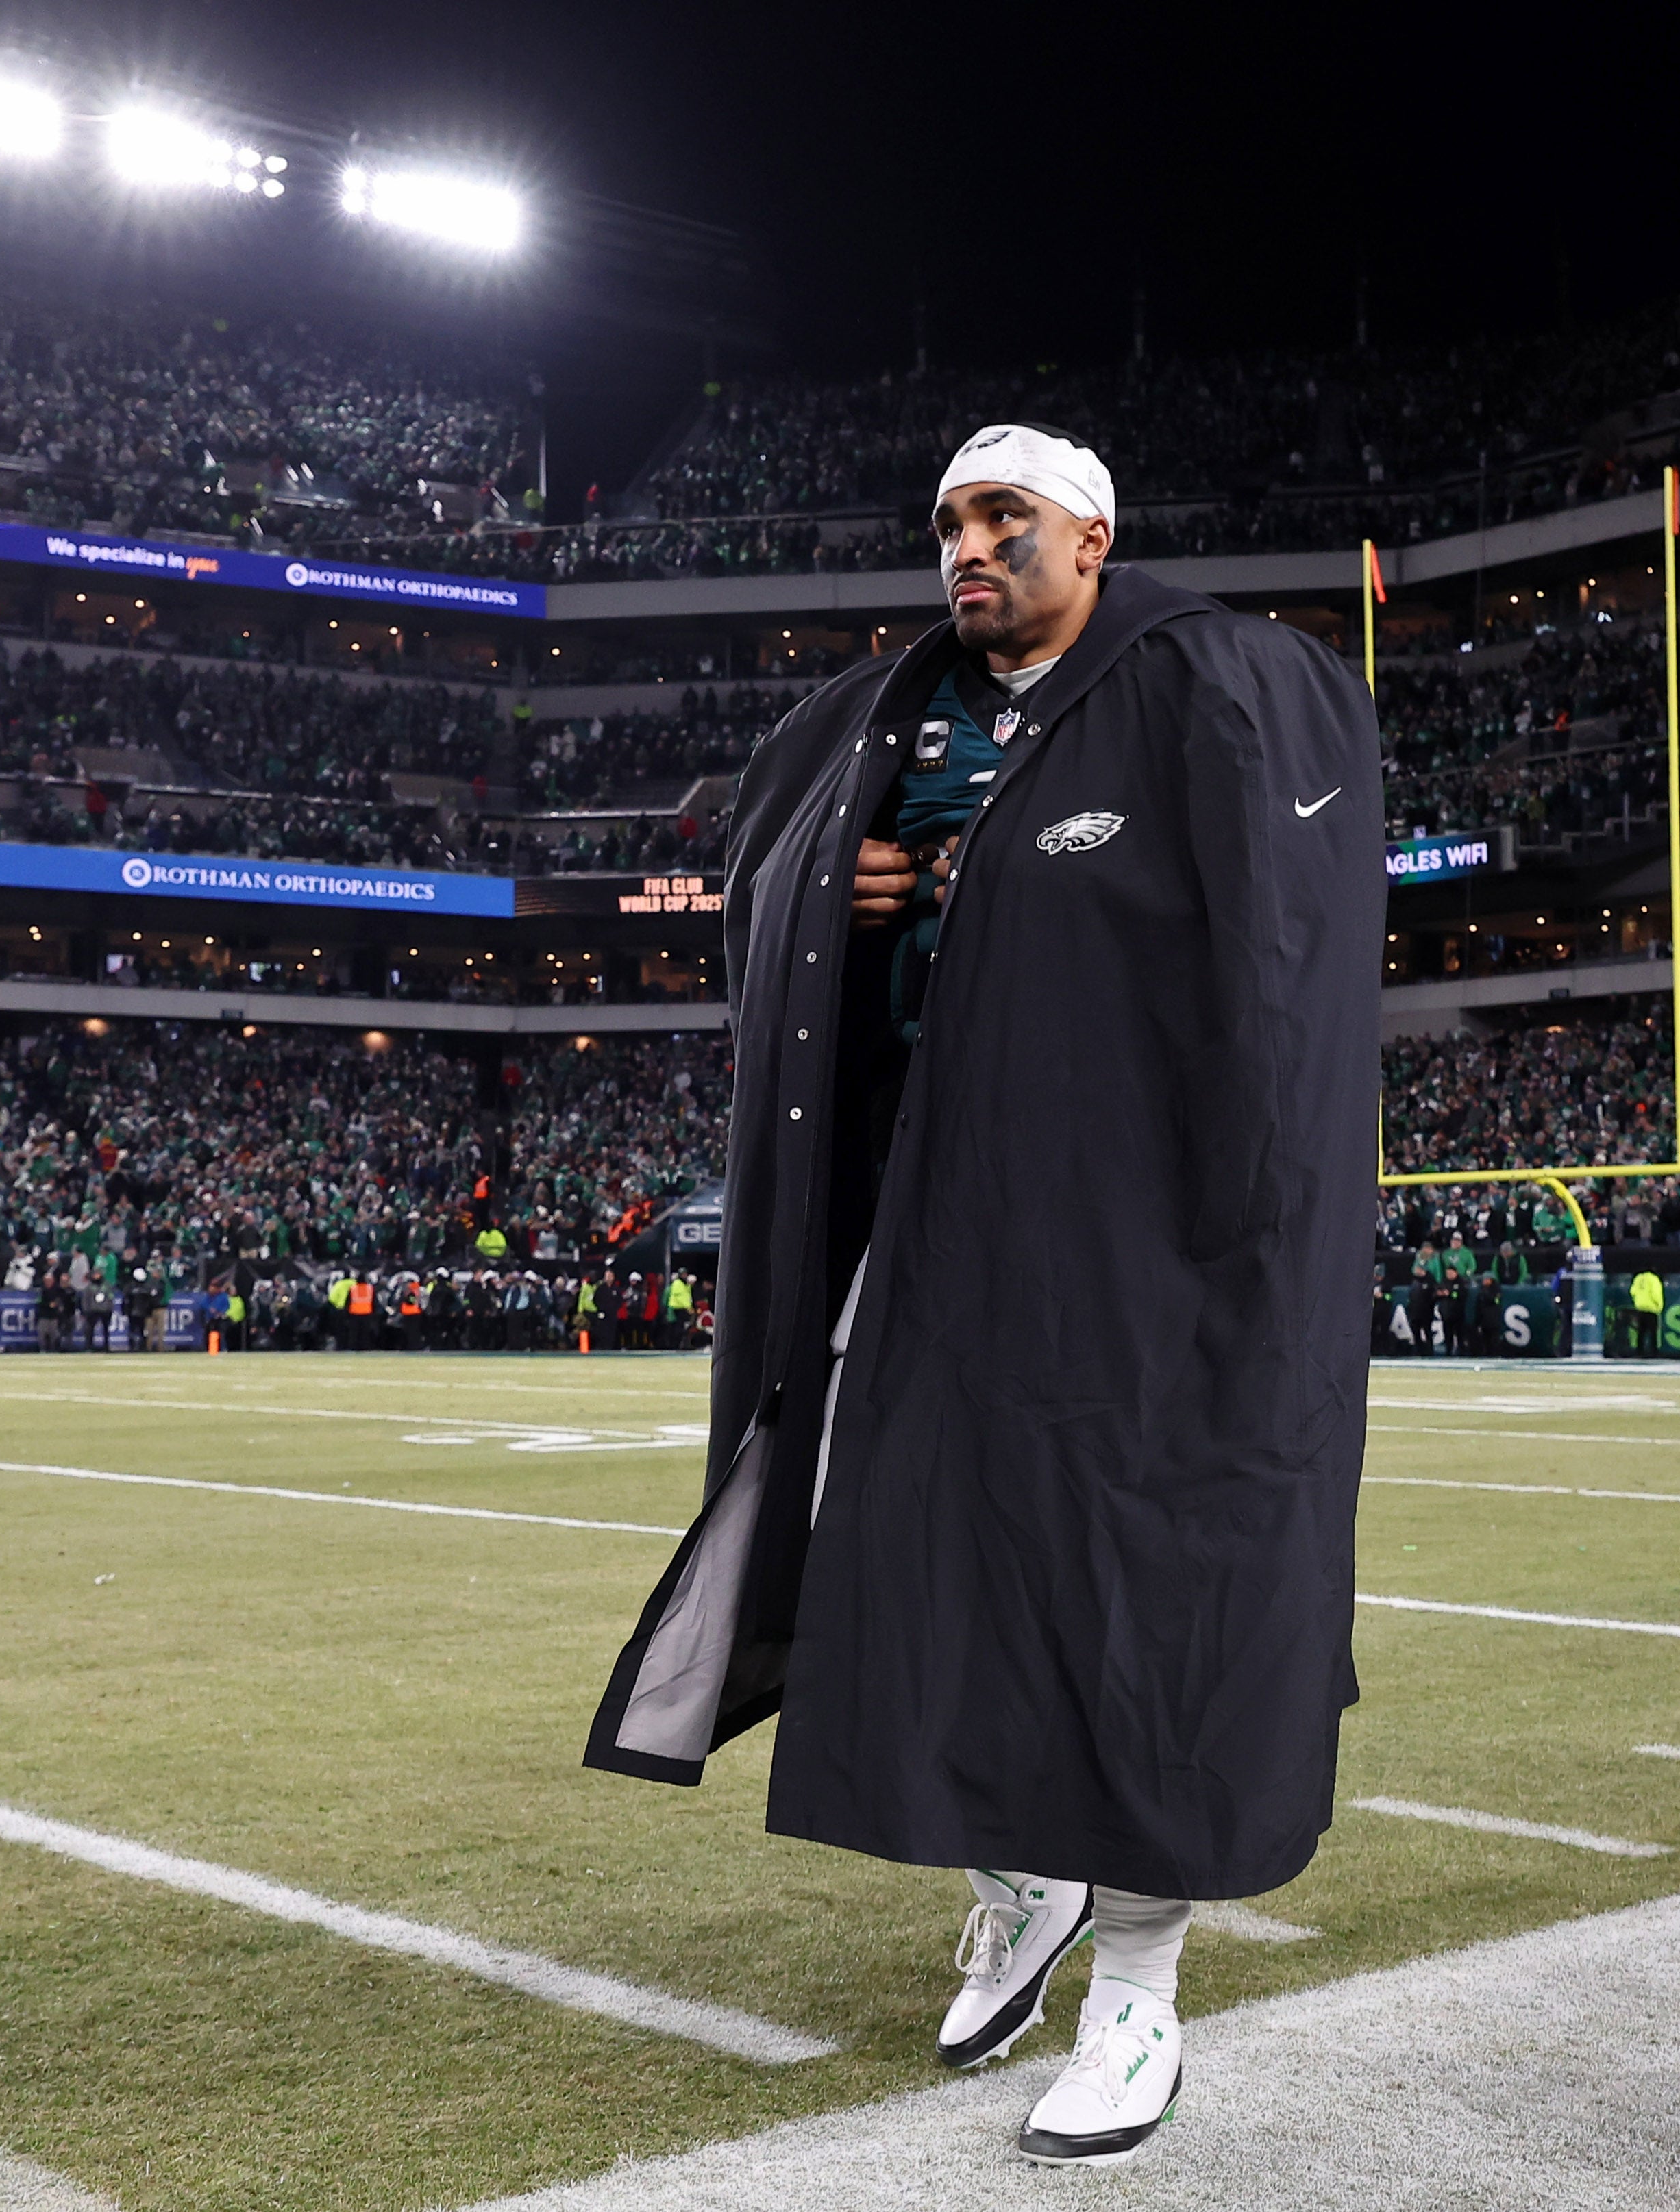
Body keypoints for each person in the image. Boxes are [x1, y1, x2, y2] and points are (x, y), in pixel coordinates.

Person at [584, 424, 1381, 2168]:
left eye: (1002, 516)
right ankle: (1020, 1882)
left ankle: (1139, 1989)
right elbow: (756, 909)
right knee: (903, 1547)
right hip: (926, 1213)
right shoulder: (873, 720)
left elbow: (1278, 955)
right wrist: (836, 902)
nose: (966, 544)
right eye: (947, 519)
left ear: (1092, 533)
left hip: (1135, 1232)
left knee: (1154, 1581)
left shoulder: (1217, 685)